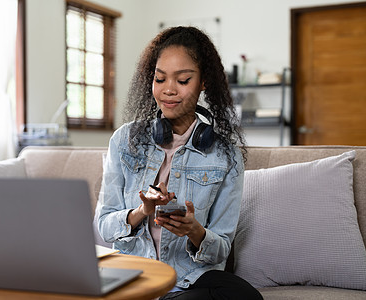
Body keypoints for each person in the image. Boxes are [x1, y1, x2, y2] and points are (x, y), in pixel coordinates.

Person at [96, 26, 262, 299]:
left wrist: (195, 231)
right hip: (135, 276)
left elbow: (221, 248)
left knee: (244, 295)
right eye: (160, 79)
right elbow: (104, 224)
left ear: (203, 81)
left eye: (183, 80)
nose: (168, 90)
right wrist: (141, 211)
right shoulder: (124, 140)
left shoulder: (226, 155)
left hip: (189, 281)